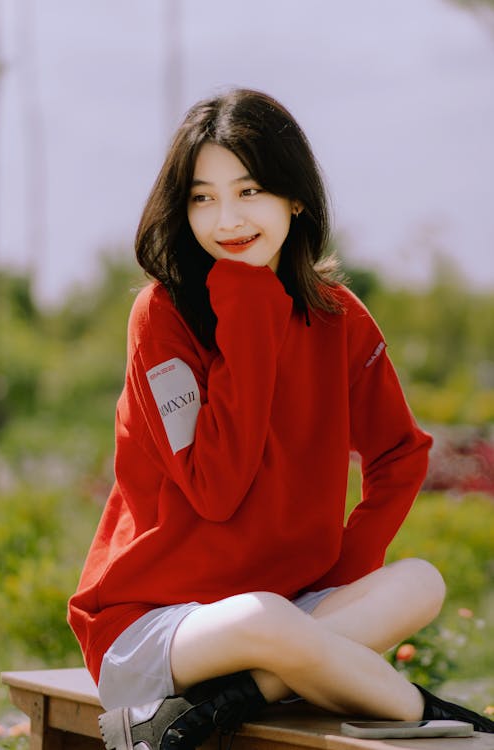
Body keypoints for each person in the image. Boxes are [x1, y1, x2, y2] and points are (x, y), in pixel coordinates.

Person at [68, 88, 493, 750]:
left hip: (289, 610)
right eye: (203, 197)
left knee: (420, 582)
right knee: (265, 620)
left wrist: (341, 578)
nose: (227, 217)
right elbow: (217, 487)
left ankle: (226, 702)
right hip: (156, 626)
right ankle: (421, 709)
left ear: (295, 197)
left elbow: (399, 455)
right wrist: (244, 303)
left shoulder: (338, 316)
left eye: (249, 191)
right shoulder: (163, 316)